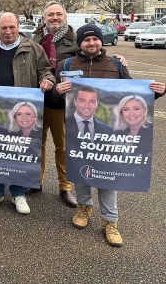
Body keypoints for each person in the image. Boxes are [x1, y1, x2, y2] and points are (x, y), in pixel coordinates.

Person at [53, 23, 165, 247]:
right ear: (80, 43)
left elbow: (134, 95)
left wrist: (156, 93)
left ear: (101, 41)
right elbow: (55, 102)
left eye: (95, 39)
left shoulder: (115, 64)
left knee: (107, 176)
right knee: (80, 172)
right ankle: (84, 208)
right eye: (86, 40)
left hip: (106, 134)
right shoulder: (66, 65)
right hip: (77, 131)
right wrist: (57, 92)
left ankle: (110, 221)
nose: (91, 43)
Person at [32, 1, 127, 207]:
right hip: (37, 98)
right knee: (36, 143)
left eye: (58, 14)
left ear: (65, 17)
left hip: (62, 102)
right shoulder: (37, 37)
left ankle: (64, 187)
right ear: (44, 17)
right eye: (50, 15)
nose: (54, 18)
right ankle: (35, 181)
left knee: (63, 147)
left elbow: (93, 55)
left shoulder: (75, 39)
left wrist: (118, 58)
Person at [0, 12, 55, 214]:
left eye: (12, 27)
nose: (8, 31)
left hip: (23, 110)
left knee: (20, 151)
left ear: (18, 26)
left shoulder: (33, 48)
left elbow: (46, 70)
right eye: (3, 28)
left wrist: (48, 80)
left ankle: (18, 193)